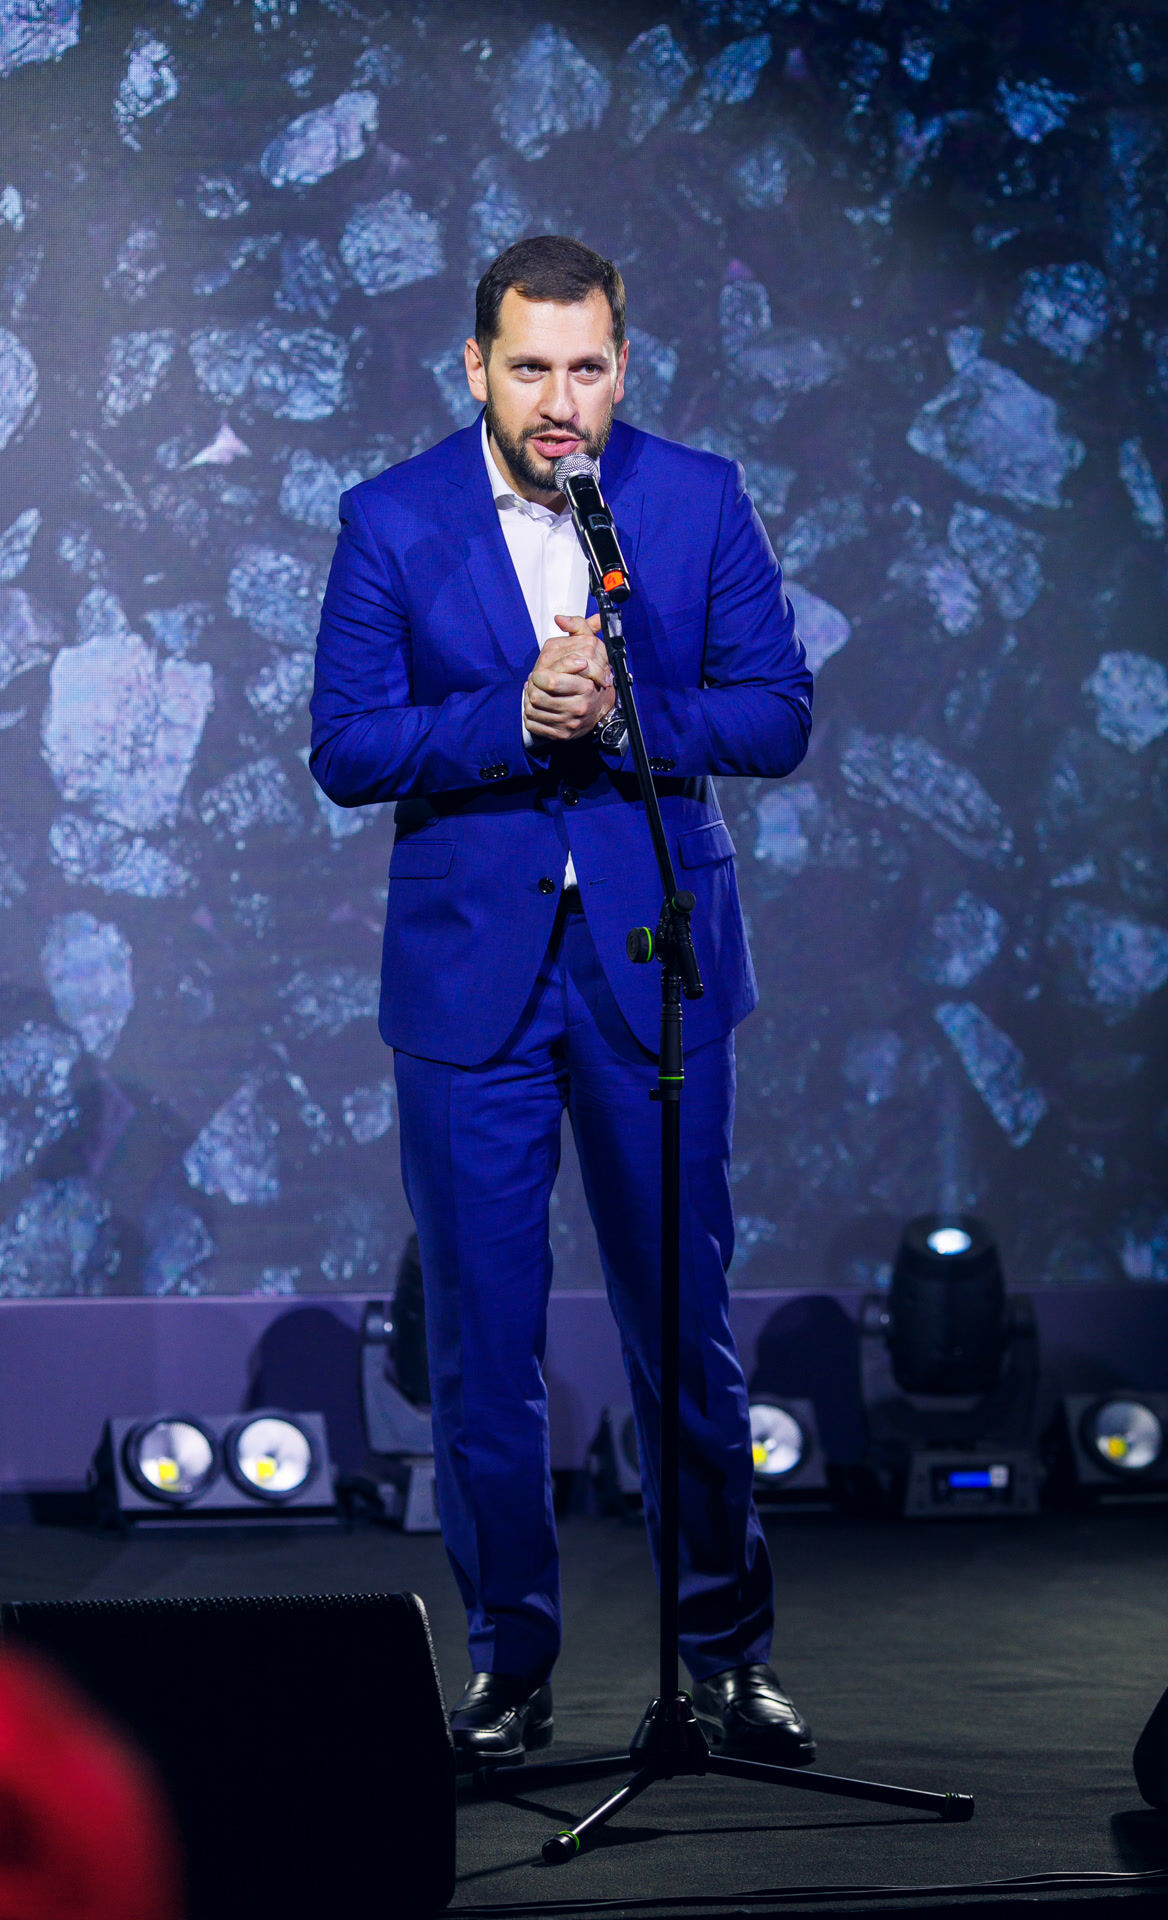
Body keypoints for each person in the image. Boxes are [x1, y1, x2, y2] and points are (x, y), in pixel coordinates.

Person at [311, 235, 814, 1769]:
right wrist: (511, 719)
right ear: (477, 366)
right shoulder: (391, 516)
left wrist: (631, 712)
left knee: (685, 1324)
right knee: (483, 1339)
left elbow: (778, 712)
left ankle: (724, 1656)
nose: (559, 400)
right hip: (472, 983)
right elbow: (347, 744)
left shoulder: (695, 497)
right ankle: (509, 1666)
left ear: (621, 366)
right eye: (529, 367)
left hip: (656, 968)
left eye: (586, 368)